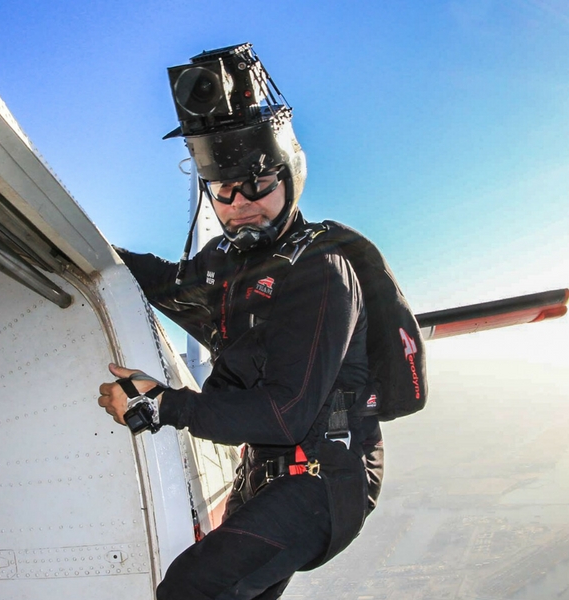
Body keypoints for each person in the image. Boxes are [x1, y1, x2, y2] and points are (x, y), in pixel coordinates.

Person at [98, 43, 425, 600]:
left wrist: (164, 404)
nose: (240, 203)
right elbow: (160, 281)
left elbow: (284, 413)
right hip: (266, 479)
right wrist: (87, 251)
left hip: (326, 482)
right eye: (223, 191)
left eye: (259, 183)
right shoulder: (230, 269)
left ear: (289, 174)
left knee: (191, 588)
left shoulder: (321, 269)